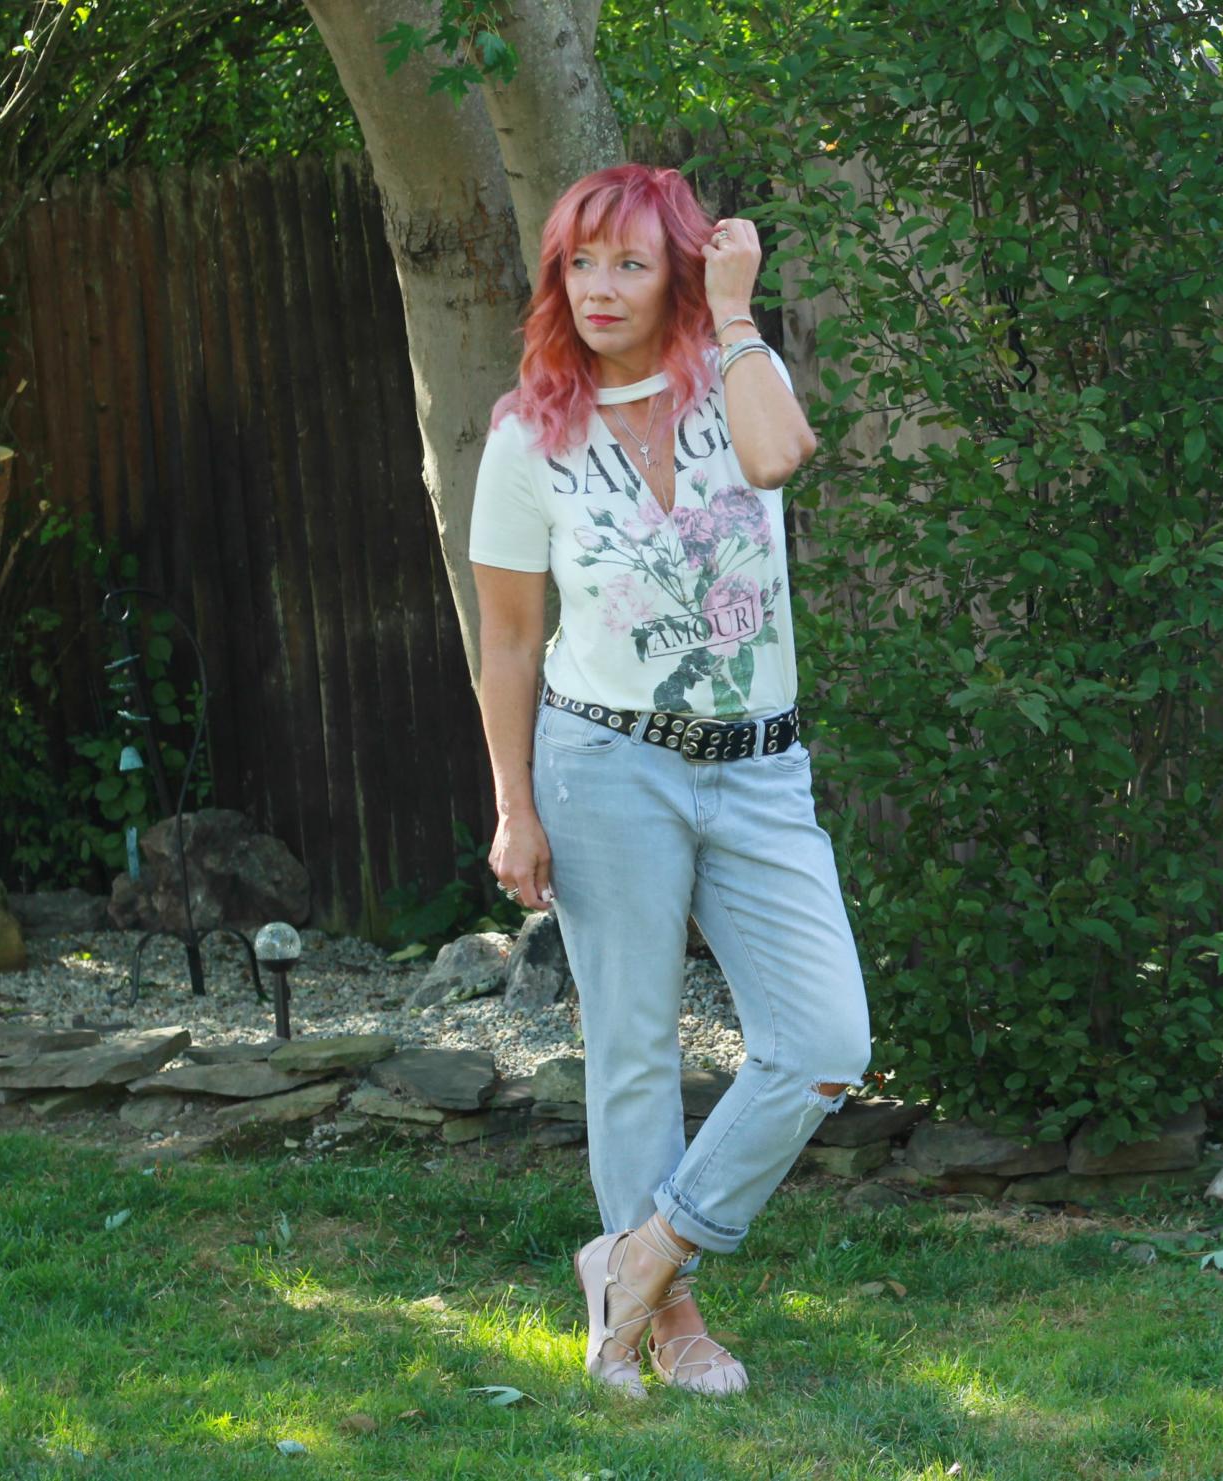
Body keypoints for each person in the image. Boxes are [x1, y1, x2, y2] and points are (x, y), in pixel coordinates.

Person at [466, 163, 874, 1400]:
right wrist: (513, 803)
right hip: (604, 767)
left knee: (824, 1038)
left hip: (759, 769)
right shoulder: (527, 431)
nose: (599, 288)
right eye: (579, 263)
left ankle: (644, 1252)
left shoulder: (734, 384)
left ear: (682, 272)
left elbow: (782, 454)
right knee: (632, 1050)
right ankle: (668, 1323)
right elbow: (511, 641)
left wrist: (738, 315)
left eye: (631, 263)